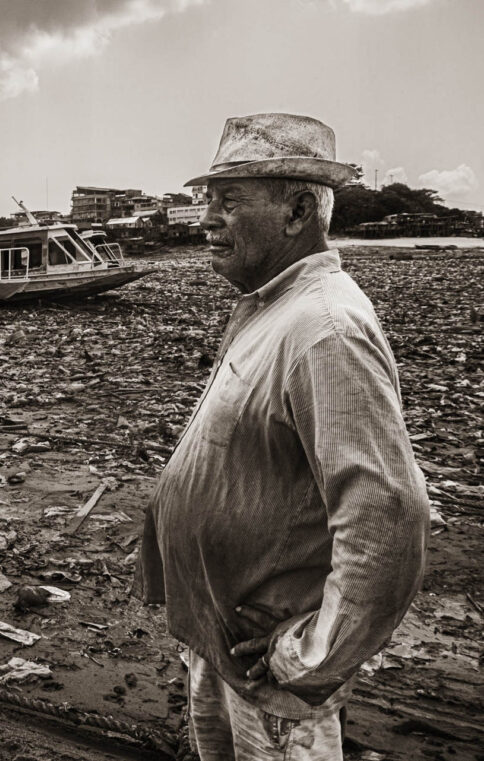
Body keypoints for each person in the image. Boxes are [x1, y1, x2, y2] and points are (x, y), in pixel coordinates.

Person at [135, 113, 429, 760]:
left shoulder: (326, 327)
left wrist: (309, 658)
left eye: (229, 200)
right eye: (206, 198)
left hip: (272, 690)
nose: (206, 217)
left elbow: (388, 516)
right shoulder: (274, 306)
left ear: (298, 211)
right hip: (225, 651)